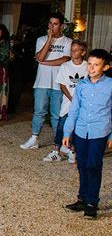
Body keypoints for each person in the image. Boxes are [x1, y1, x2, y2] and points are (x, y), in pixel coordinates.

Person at [62, 49, 112, 220]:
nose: (91, 68)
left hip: (99, 132)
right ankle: (82, 199)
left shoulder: (110, 85)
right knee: (82, 165)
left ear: (105, 67)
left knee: (93, 165)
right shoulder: (82, 85)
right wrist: (67, 131)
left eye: (96, 65)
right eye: (89, 64)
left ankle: (92, 202)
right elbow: (74, 110)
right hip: (81, 131)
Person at [20, 13, 72, 149]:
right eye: (50, 23)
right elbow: (40, 56)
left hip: (58, 83)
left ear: (61, 26)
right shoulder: (41, 39)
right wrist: (49, 39)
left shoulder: (68, 41)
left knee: (56, 115)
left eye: (55, 24)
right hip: (42, 82)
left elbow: (64, 60)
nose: (52, 26)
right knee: (39, 111)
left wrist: (44, 62)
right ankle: (34, 138)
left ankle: (59, 142)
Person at [43, 40, 87, 163]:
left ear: (83, 52)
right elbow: (62, 84)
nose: (73, 52)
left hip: (82, 104)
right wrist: (71, 98)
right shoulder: (65, 66)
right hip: (68, 103)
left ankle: (73, 151)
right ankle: (56, 151)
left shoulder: (87, 66)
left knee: (78, 127)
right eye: (72, 49)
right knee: (62, 125)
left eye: (76, 50)